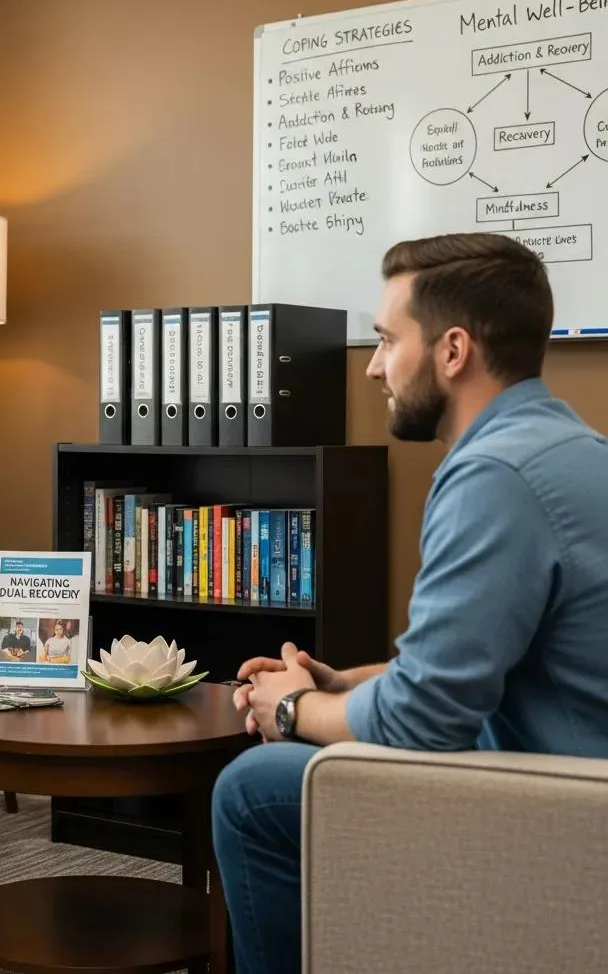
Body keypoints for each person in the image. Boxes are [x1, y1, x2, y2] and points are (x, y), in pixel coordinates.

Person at [211, 232, 608, 974]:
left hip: (568, 811)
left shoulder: (495, 476)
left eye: (389, 340)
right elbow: (469, 667)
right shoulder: (570, 446)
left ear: (453, 350)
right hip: (576, 767)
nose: (371, 366)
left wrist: (290, 711)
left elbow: (424, 718)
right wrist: (339, 684)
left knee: (250, 791)